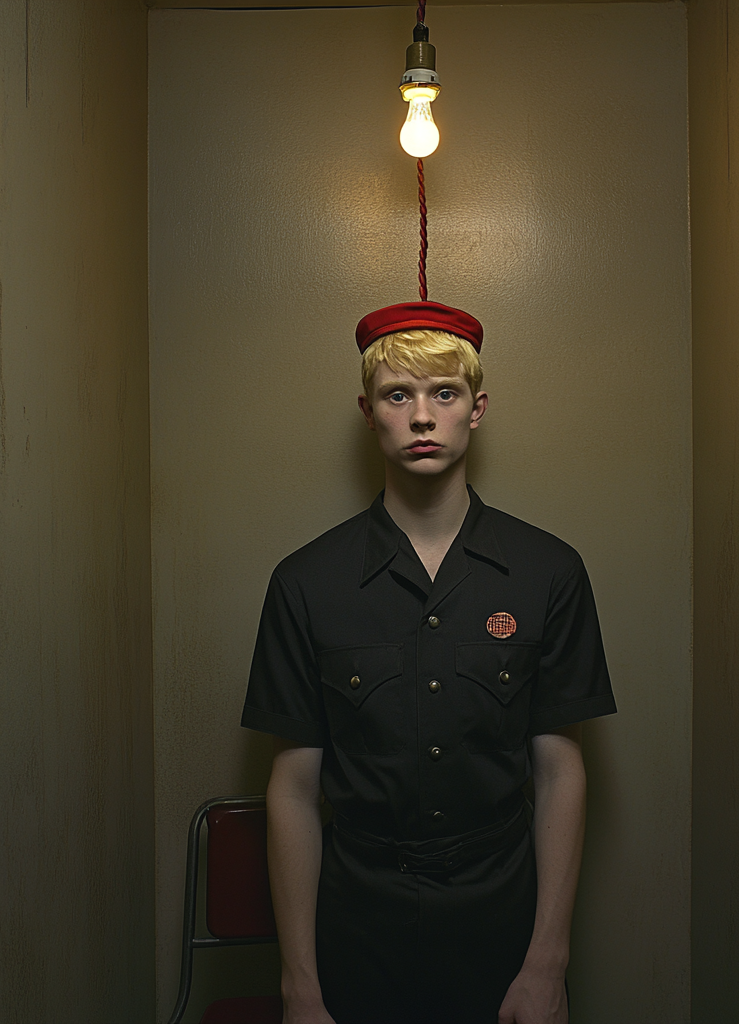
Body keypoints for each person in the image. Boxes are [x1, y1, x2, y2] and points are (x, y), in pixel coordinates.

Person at [241, 301, 616, 1024]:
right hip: (356, 933)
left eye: (443, 393)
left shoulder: (549, 571)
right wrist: (299, 986)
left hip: (502, 928)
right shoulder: (305, 582)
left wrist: (549, 963)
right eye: (397, 394)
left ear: (476, 410)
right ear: (368, 411)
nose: (421, 416)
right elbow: (291, 790)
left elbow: (560, 771)